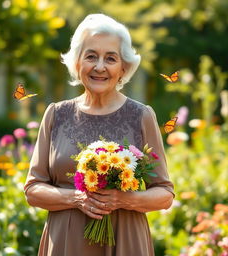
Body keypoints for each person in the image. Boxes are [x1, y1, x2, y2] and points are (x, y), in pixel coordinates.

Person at [24, 13, 174, 256]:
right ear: (77, 63)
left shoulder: (141, 116)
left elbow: (164, 194)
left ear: (124, 67)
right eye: (91, 56)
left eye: (111, 58)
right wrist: (76, 198)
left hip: (125, 242)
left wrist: (122, 199)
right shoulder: (56, 115)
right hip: (66, 242)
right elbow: (33, 190)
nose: (100, 66)